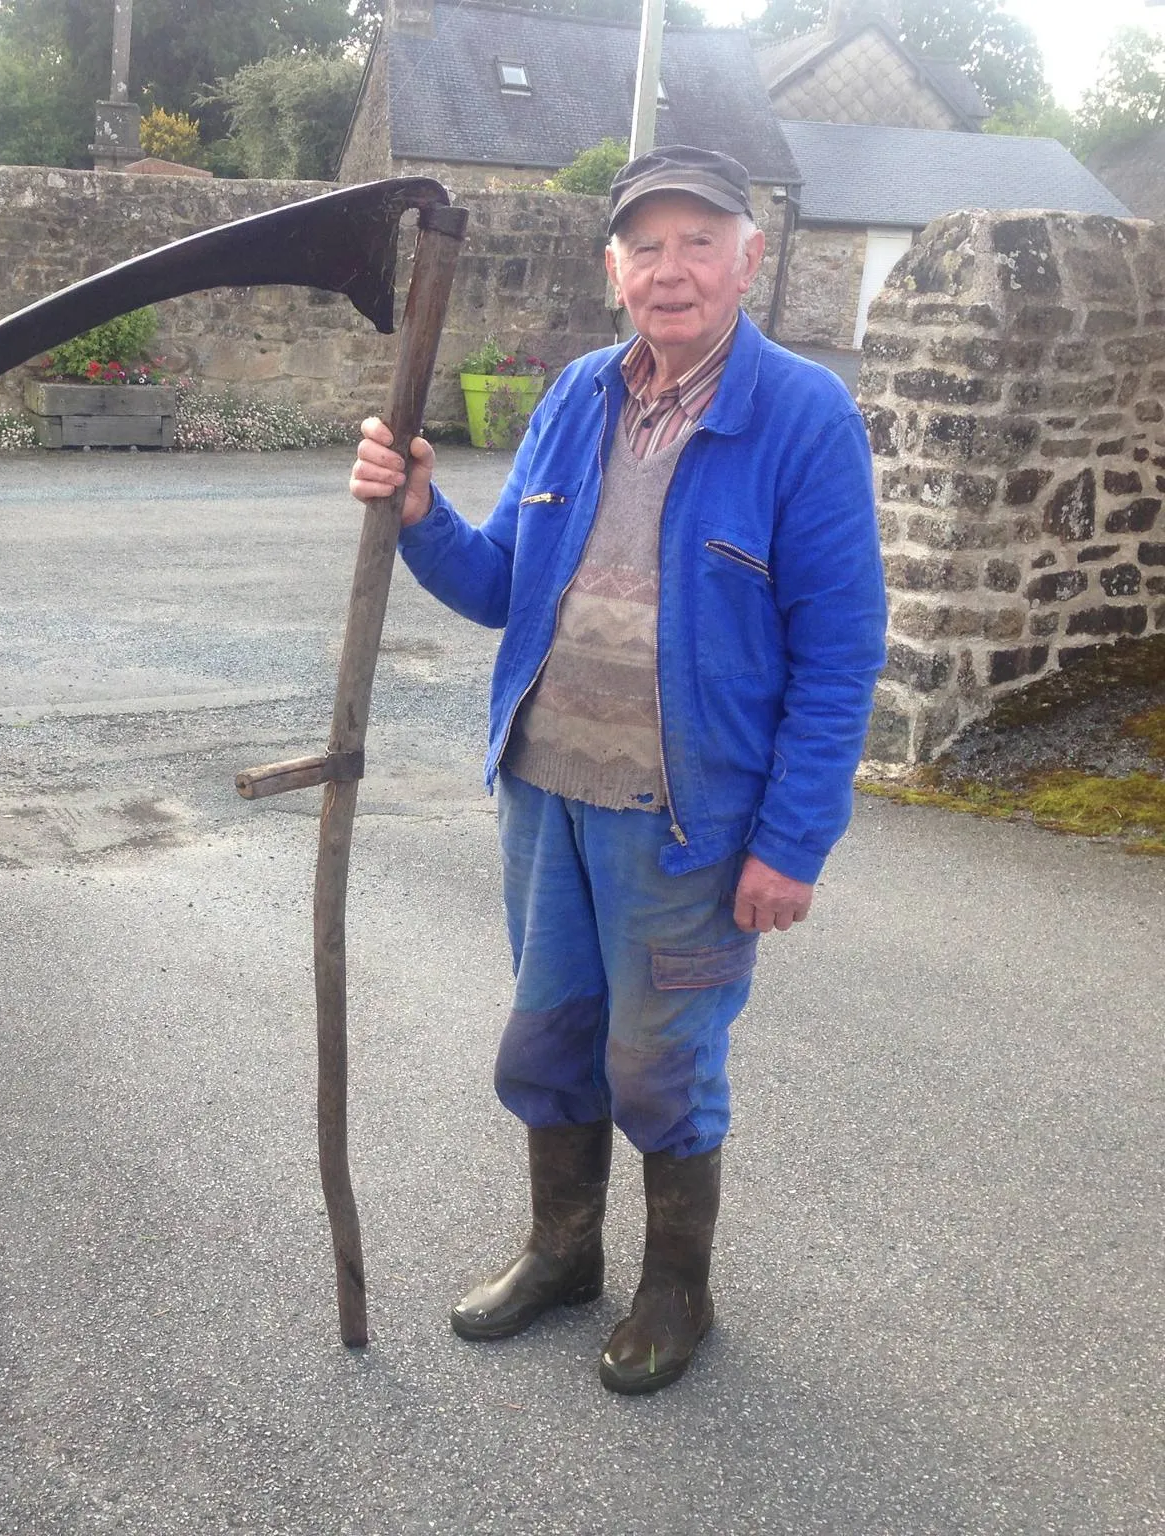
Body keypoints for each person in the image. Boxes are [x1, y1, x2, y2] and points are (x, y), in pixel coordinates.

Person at [348, 145, 887, 1395]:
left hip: (686, 821)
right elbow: (502, 584)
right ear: (614, 269)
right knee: (549, 1039)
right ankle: (562, 1252)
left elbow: (840, 651)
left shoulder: (803, 415)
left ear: (749, 260)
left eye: (700, 242)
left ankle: (677, 1287)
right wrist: (421, 513)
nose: (671, 269)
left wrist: (792, 842)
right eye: (647, 246)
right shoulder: (578, 395)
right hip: (545, 793)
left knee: (659, 1062)